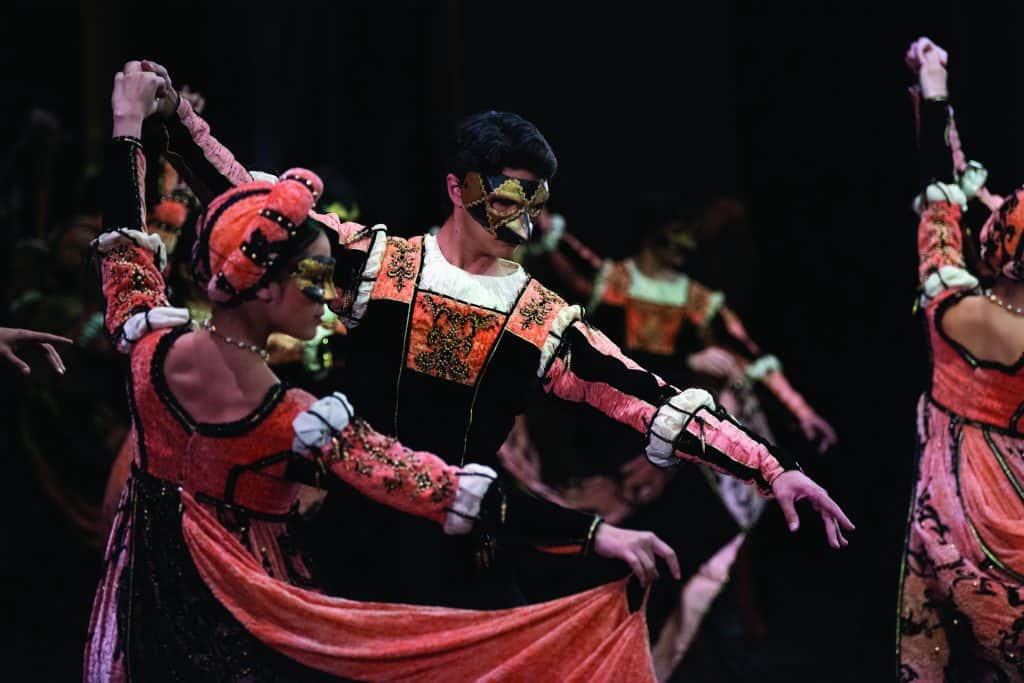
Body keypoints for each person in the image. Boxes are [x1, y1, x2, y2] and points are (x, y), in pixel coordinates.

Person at [137, 59, 853, 615]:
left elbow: (650, 396)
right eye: (507, 196)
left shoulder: (541, 319)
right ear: (458, 188)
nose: (522, 220)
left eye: (533, 202)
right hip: (335, 550)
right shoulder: (381, 265)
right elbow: (261, 212)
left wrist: (770, 466)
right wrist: (178, 124)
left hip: (458, 559)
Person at [87, 64, 681, 681]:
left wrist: (130, 127)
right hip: (245, 609)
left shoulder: (149, 348)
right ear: (263, 288)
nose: (328, 297)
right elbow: (427, 484)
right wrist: (591, 534)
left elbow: (126, 248)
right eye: (313, 277)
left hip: (138, 601)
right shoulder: (292, 418)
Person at [897, 37, 1024, 681]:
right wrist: (934, 97)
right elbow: (967, 189)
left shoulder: (978, 319)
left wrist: (935, 85)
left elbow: (941, 219)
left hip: (971, 512)